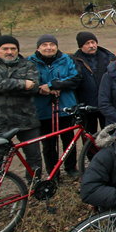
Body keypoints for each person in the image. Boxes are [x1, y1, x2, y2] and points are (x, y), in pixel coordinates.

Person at [0, 35, 42, 174]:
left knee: (34, 158)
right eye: (5, 48)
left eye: (13, 48)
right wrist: (22, 84)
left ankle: (35, 188)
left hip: (26, 120)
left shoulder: (28, 65)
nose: (9, 52)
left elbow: (34, 87)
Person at [28, 34, 81, 177]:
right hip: (43, 109)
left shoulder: (66, 59)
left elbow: (75, 78)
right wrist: (43, 88)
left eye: (52, 45)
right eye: (44, 45)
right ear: (38, 48)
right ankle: (53, 171)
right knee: (48, 143)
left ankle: (71, 167)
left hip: (65, 106)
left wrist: (54, 85)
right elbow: (29, 82)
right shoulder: (30, 62)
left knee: (69, 139)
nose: (48, 48)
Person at [72, 31, 115, 134]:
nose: (91, 45)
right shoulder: (74, 60)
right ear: (81, 46)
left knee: (110, 135)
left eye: (93, 42)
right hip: (86, 105)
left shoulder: (109, 58)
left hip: (107, 104)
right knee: (89, 137)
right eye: (87, 43)